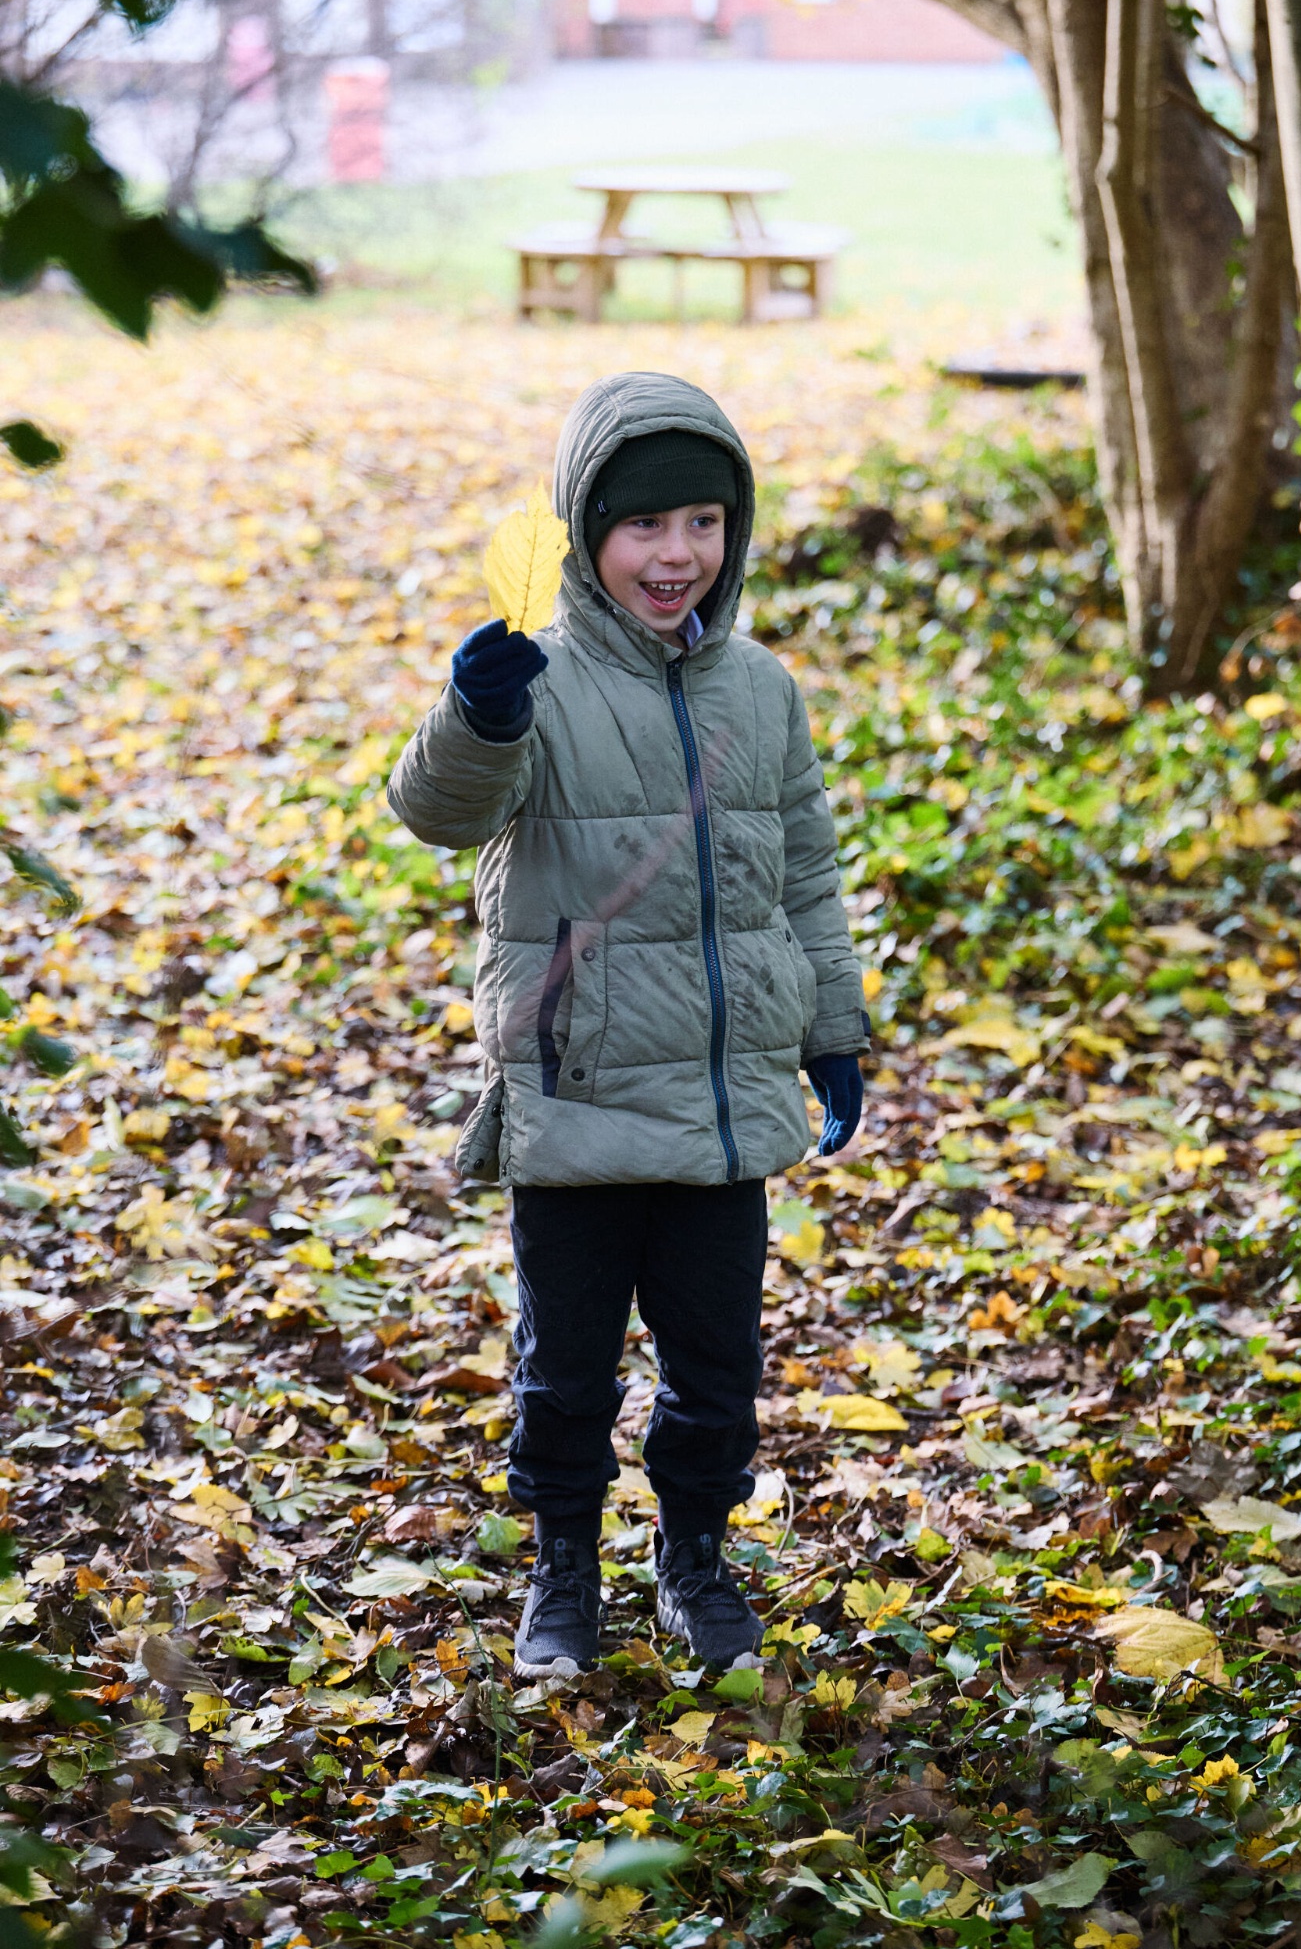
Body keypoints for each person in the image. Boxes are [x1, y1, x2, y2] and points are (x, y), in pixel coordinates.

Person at [388, 372, 867, 1676]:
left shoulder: (759, 691)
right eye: (645, 527)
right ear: (585, 535)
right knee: (567, 1371)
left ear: (735, 530)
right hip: (578, 1093)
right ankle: (560, 1569)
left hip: (722, 1110)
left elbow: (806, 875)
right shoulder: (532, 681)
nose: (676, 554)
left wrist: (833, 1027)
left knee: (716, 1364)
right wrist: (475, 718)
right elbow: (436, 811)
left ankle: (694, 1555)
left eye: (703, 522)